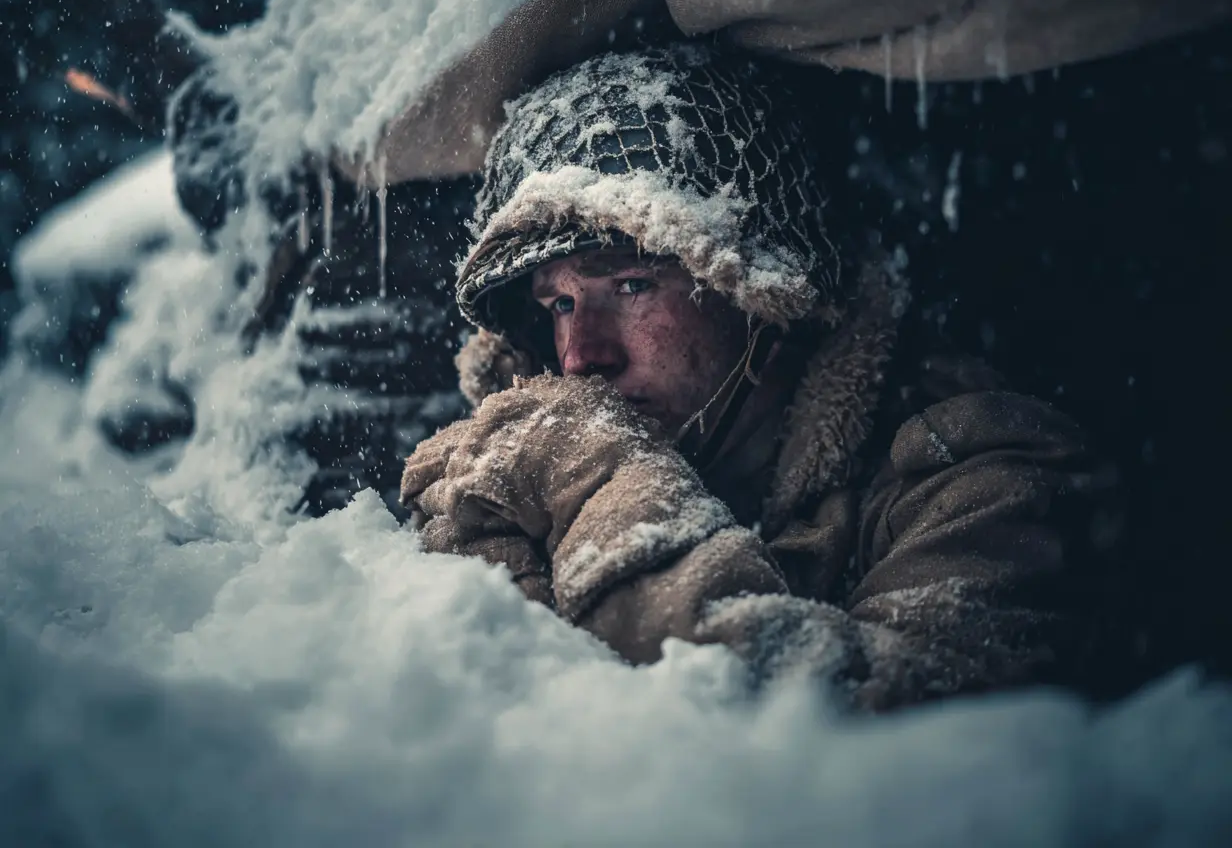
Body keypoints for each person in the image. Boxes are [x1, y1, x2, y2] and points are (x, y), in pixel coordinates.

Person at [400, 46, 1104, 711]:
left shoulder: (979, 477)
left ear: (763, 293)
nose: (580, 355)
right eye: (559, 304)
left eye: (633, 284)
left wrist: (605, 490)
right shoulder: (522, 471)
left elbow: (865, 746)